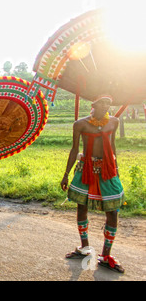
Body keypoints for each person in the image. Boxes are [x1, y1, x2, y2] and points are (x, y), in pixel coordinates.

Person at [61, 95, 125, 273]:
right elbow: (75, 149)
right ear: (93, 105)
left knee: (112, 212)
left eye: (109, 103)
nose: (106, 106)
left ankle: (105, 255)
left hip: (107, 170)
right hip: (86, 168)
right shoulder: (80, 124)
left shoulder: (114, 122)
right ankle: (84, 247)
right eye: (102, 103)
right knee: (81, 207)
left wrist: (116, 169)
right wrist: (66, 174)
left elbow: (112, 147)